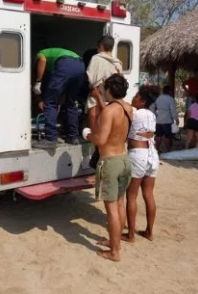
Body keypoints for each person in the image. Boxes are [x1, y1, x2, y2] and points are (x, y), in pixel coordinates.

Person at [83, 74, 133, 262]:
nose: (102, 91)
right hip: (123, 159)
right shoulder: (127, 108)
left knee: (111, 208)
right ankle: (115, 242)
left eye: (104, 89)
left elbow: (101, 140)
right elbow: (111, 117)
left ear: (110, 90)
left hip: (109, 162)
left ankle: (115, 252)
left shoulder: (108, 111)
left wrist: (88, 134)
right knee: (119, 203)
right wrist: (99, 98)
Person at [124, 86, 159, 243]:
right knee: (149, 195)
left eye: (137, 96)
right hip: (152, 155)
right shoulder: (152, 114)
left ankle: (130, 234)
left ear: (143, 101)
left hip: (138, 155)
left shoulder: (135, 114)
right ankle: (149, 232)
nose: (134, 97)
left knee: (131, 196)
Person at [31, 47, 85, 148]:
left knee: (50, 102)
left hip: (65, 63)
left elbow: (42, 60)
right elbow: (62, 89)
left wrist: (38, 81)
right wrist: (59, 102)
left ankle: (51, 139)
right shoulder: (56, 57)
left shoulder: (41, 53)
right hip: (80, 65)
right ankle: (73, 137)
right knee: (71, 102)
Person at [149, 86, 178, 153]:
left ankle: (156, 150)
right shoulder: (171, 99)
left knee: (158, 135)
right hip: (167, 120)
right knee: (167, 136)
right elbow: (173, 110)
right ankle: (168, 151)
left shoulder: (158, 98)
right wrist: (176, 119)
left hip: (159, 120)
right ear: (170, 91)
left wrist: (155, 115)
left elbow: (152, 106)